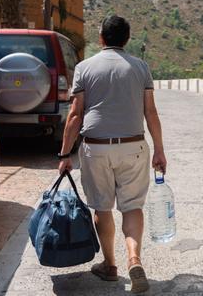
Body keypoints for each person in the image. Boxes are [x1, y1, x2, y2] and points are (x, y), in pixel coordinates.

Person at [58, 15, 167, 294]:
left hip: (96, 147)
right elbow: (150, 112)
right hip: (133, 145)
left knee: (102, 207)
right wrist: (159, 150)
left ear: (101, 38)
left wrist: (64, 153)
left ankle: (109, 265)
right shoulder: (140, 67)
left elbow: (74, 115)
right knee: (132, 206)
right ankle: (134, 259)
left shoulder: (84, 68)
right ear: (127, 40)